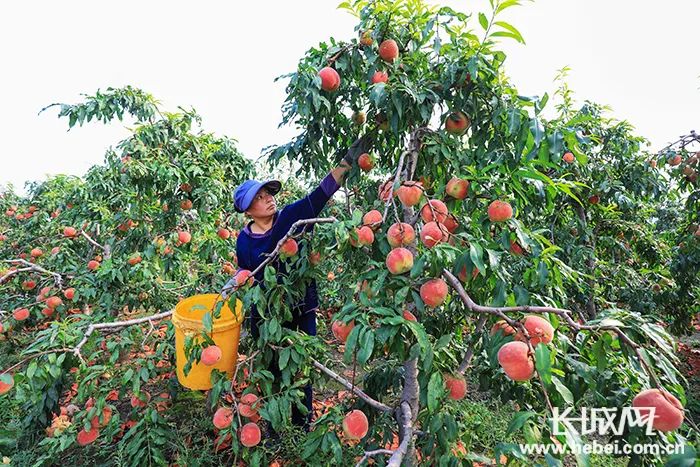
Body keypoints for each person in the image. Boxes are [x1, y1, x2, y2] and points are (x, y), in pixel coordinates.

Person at [229, 134, 373, 432]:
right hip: (266, 315)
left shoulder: (291, 217)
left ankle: (302, 423)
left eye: (269, 193)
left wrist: (347, 162)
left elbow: (320, 194)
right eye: (259, 196)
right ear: (246, 209)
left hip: (299, 307)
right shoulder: (243, 240)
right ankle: (271, 423)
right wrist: (234, 286)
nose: (268, 198)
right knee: (269, 367)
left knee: (301, 366)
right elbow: (246, 273)